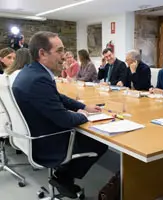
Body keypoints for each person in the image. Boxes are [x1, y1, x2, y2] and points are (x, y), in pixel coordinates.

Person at [12, 31, 108, 198]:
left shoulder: (31, 72)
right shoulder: (38, 79)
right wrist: (85, 116)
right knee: (98, 141)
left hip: (34, 133)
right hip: (47, 141)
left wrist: (83, 105)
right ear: (42, 53)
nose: (64, 56)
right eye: (59, 51)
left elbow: (58, 97)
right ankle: (63, 177)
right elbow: (64, 120)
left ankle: (62, 174)